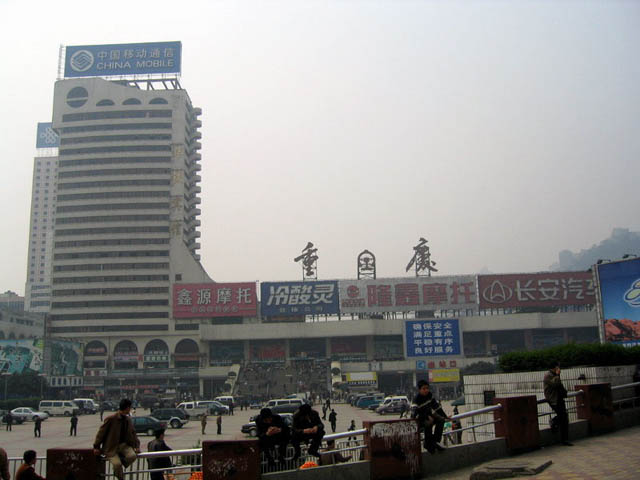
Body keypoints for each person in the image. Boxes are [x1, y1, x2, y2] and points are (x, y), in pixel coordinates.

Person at [93, 398, 141, 480]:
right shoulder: (111, 419)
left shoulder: (128, 420)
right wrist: (96, 446)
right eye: (130, 407)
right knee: (117, 465)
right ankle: (120, 476)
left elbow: (133, 433)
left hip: (124, 446)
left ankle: (119, 466)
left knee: (132, 456)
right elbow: (101, 433)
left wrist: (137, 446)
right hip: (111, 448)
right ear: (127, 408)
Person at [411, 380, 447, 454]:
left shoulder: (429, 395)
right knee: (428, 423)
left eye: (427, 388)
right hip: (419, 420)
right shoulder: (416, 399)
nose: (426, 390)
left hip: (429, 416)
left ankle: (435, 442)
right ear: (419, 390)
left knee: (441, 420)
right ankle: (429, 444)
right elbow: (414, 415)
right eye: (424, 389)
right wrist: (426, 417)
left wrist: (445, 416)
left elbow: (436, 407)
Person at [544, 362, 572, 446]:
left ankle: (565, 439)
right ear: (554, 368)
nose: (559, 369)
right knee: (562, 416)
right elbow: (555, 384)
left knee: (564, 417)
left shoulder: (554, 375)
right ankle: (554, 421)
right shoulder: (548, 375)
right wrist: (557, 375)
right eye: (558, 367)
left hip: (559, 399)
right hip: (553, 399)